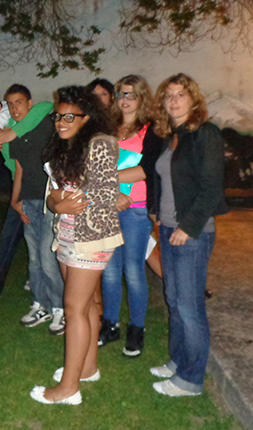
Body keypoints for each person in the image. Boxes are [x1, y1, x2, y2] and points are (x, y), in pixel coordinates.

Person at [30, 85, 123, 405]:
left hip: (92, 237)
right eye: (58, 116)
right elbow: (52, 196)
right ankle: (87, 369)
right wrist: (59, 202)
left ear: (87, 117)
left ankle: (68, 388)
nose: (61, 122)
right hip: (67, 234)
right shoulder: (64, 146)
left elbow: (106, 192)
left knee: (73, 308)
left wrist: (64, 198)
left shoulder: (100, 143)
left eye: (70, 116)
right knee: (87, 306)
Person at [149, 73, 227, 397]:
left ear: (194, 99)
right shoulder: (171, 136)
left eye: (181, 94)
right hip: (169, 228)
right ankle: (179, 361)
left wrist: (188, 227)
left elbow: (212, 188)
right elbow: (162, 179)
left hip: (192, 232)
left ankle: (191, 380)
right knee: (173, 299)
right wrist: (156, 211)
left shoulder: (205, 134)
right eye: (169, 95)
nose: (174, 100)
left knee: (189, 307)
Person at [0, 91, 53, 307]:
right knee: (23, 239)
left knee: (16, 238)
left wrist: (10, 131)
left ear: (0, 109)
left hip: (36, 189)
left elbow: (46, 105)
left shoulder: (15, 121)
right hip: (21, 189)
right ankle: (25, 284)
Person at [98, 75, 160, 357]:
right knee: (110, 269)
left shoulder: (152, 130)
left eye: (132, 94)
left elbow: (146, 170)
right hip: (108, 205)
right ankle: (110, 324)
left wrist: (106, 179)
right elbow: (94, 164)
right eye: (121, 93)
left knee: (133, 270)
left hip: (136, 208)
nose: (125, 99)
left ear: (142, 98)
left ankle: (137, 328)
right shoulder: (107, 127)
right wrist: (109, 190)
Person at [6, 84, 65, 335]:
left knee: (48, 257)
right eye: (10, 104)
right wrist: (14, 200)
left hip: (49, 201)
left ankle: (59, 308)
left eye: (19, 102)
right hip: (28, 202)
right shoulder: (14, 134)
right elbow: (19, 170)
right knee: (34, 259)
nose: (14, 108)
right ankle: (40, 304)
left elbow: (49, 106)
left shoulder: (45, 125)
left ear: (30, 104)